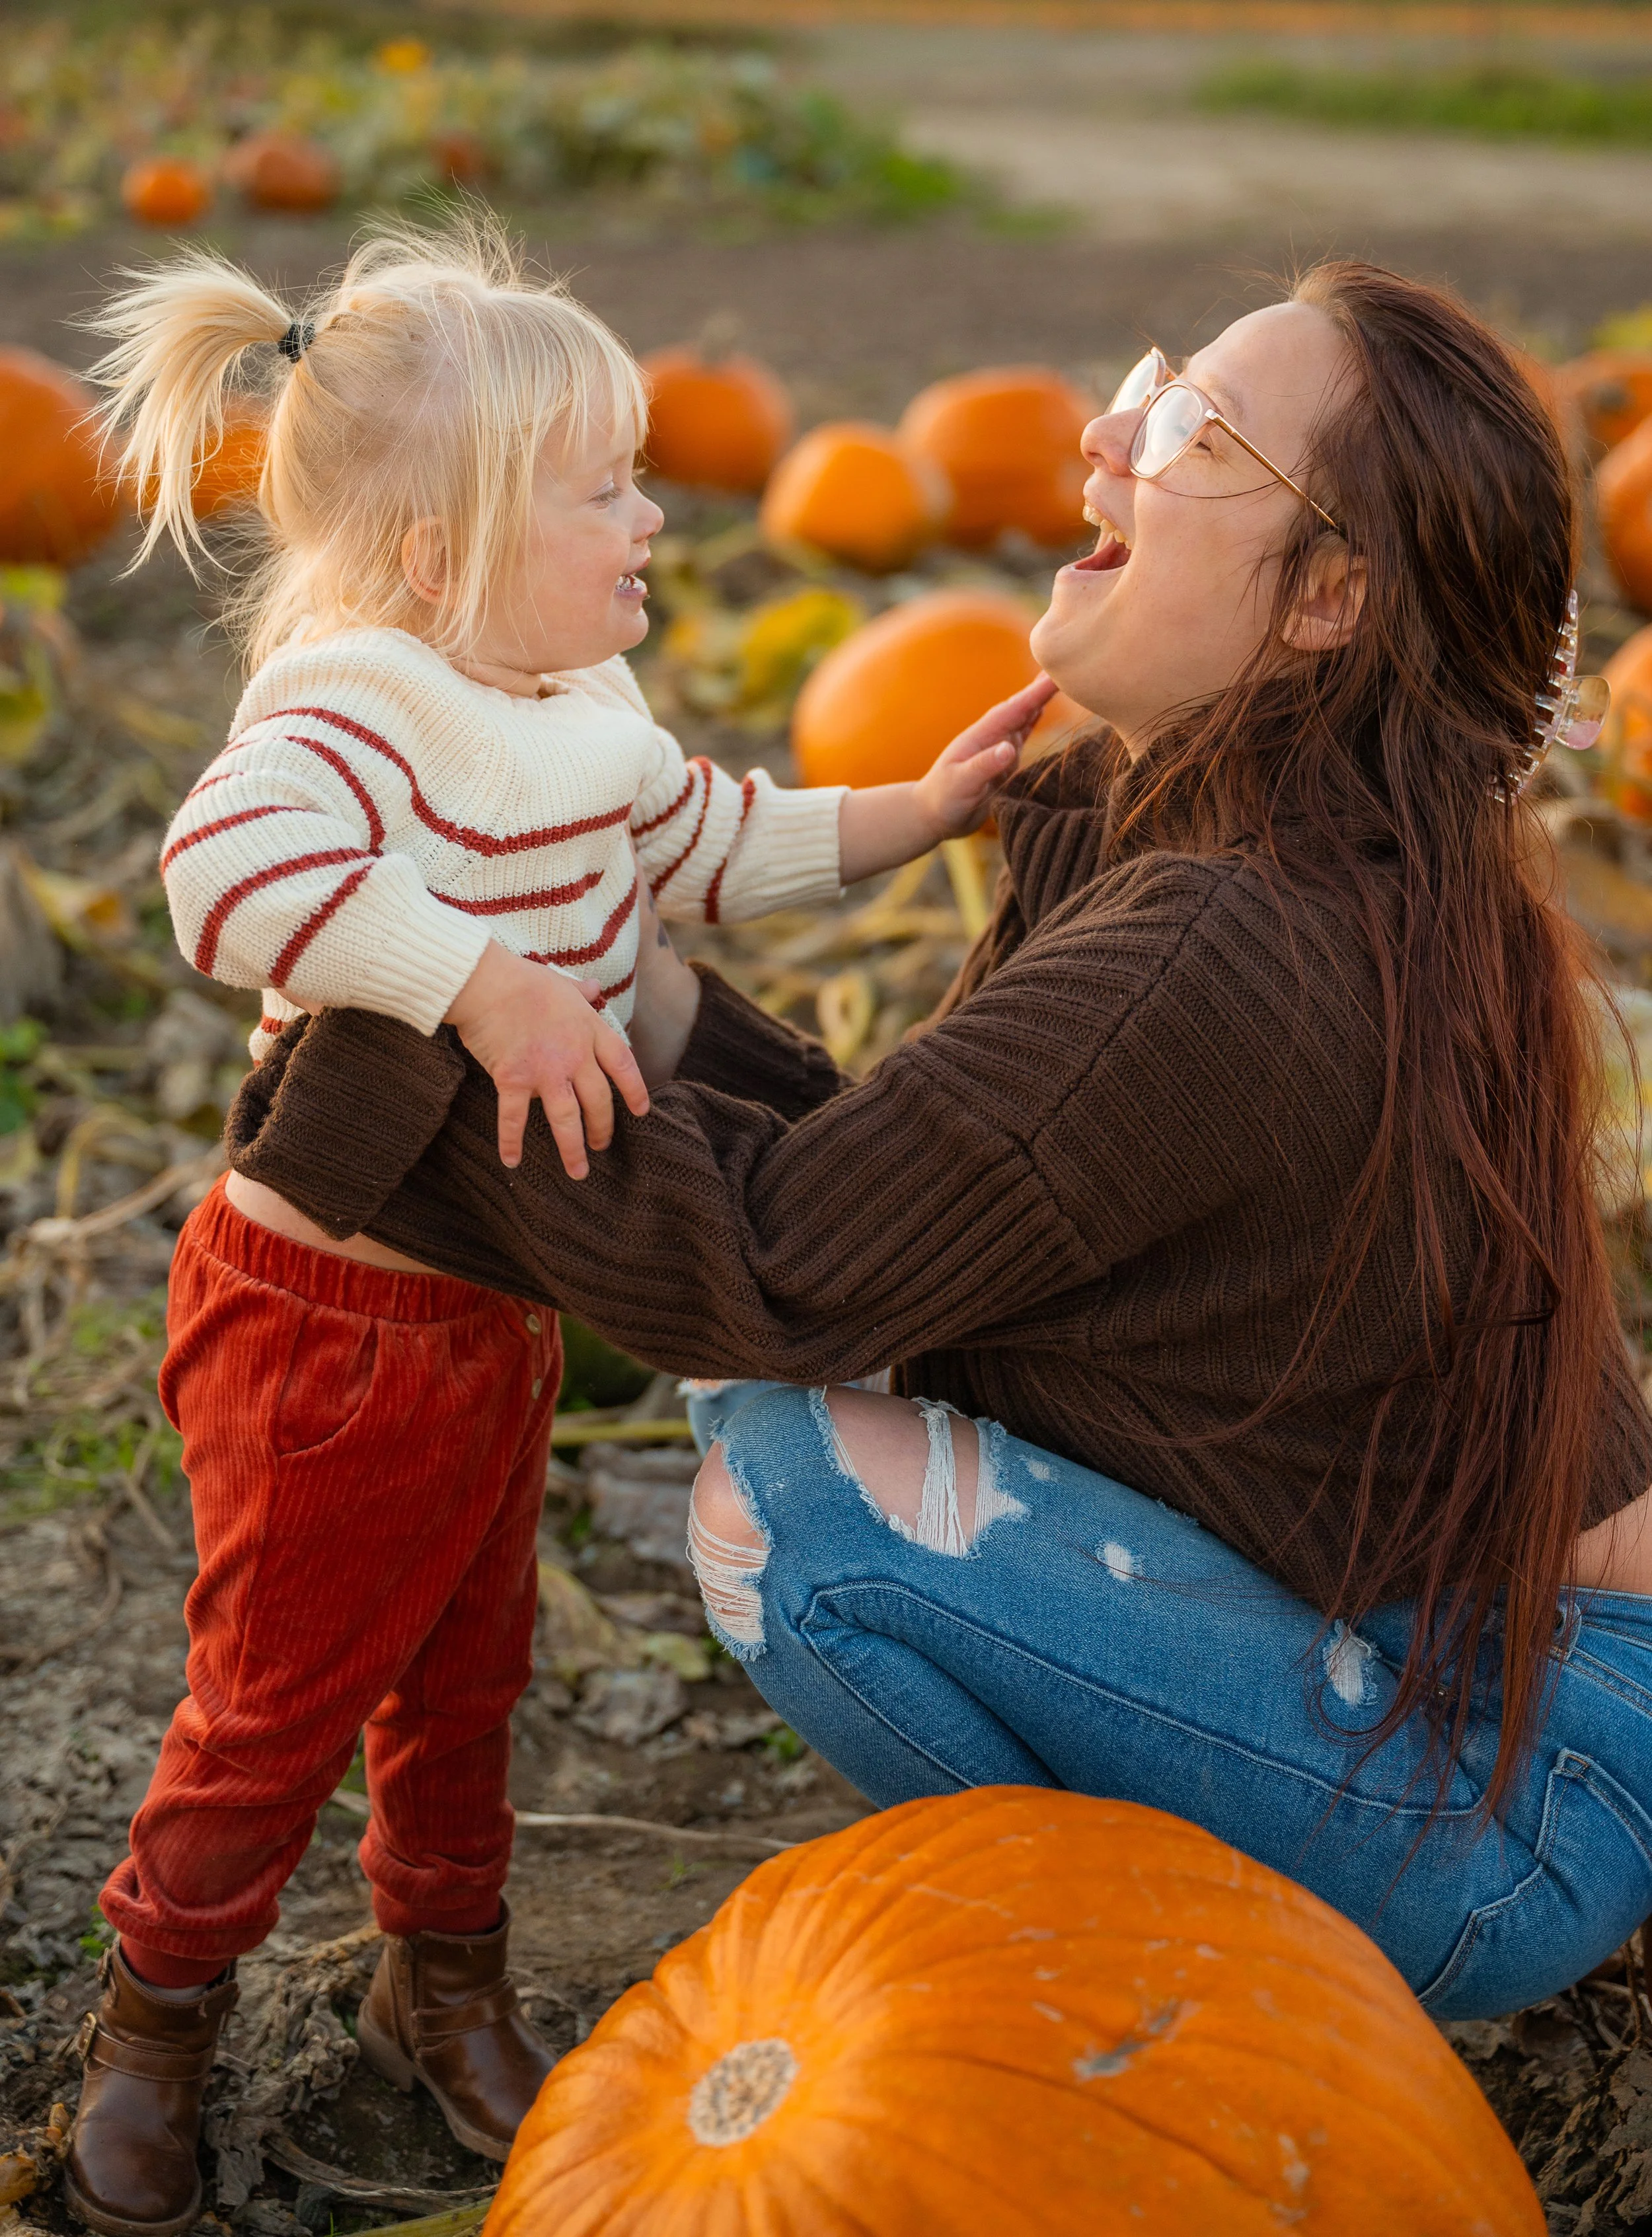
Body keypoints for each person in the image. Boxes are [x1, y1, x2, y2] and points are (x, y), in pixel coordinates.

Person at [223, 266, 1652, 2045]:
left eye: (1190, 433)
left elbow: (781, 1278)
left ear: (1331, 600)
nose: (1100, 437)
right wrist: (612, 987)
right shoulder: (1334, 858)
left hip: (1496, 1805)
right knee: (836, 1430)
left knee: (799, 1497)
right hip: (1516, 1702)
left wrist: (397, 1052)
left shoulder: (1221, 950)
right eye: (1148, 381)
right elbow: (929, 1191)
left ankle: (1135, 1992)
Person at [65, 220, 1041, 2237]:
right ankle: (154, 2018)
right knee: (273, 1703)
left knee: (470, 1676)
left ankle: (447, 1987)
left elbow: (706, 837)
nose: (651, 507)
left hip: (494, 1315)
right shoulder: (353, 706)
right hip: (324, 1320)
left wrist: (910, 809)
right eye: (601, 486)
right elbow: (222, 872)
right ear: (441, 555)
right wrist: (475, 977)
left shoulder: (574, 697)